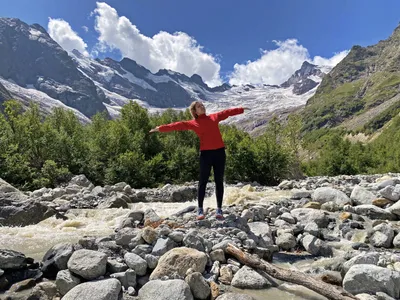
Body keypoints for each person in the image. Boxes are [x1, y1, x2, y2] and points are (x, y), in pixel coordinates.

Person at [149, 101, 249, 220]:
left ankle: (219, 209)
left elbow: (227, 112)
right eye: (199, 106)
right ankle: (200, 209)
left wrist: (241, 109)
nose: (202, 107)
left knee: (219, 181)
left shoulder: (214, 117)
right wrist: (160, 129)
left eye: (202, 105)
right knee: (203, 182)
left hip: (219, 153)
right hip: (205, 155)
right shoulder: (193, 123)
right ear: (194, 111)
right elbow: (176, 125)